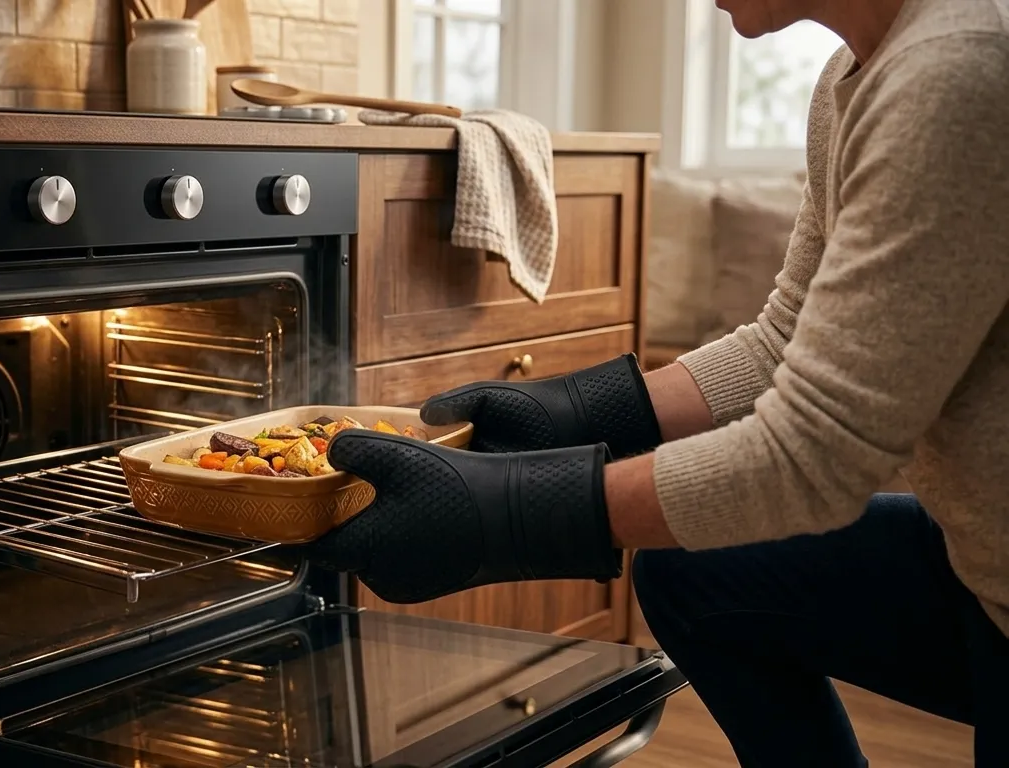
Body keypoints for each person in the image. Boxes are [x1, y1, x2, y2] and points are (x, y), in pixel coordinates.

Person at [308, 0, 1009, 765]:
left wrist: (503, 515)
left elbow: (817, 457)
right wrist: (572, 411)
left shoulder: (957, 69)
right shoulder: (853, 76)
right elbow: (787, 333)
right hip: (975, 559)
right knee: (696, 576)